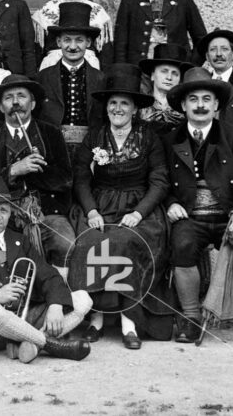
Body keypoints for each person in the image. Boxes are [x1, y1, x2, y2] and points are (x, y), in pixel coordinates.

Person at [164, 67, 233, 348]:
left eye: (206, 99)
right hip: (191, 217)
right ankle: (191, 317)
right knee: (182, 245)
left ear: (216, 105)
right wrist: (171, 203)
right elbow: (158, 180)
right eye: (193, 99)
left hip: (231, 217)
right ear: (183, 105)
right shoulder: (169, 140)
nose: (200, 105)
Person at [69, 67, 173, 348]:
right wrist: (91, 211)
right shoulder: (95, 136)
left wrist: (138, 213)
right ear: (106, 107)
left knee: (125, 242)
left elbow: (160, 181)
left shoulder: (149, 137)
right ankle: (97, 318)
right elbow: (81, 177)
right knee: (90, 242)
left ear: (134, 108)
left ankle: (129, 322)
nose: (118, 108)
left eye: (124, 103)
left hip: (138, 207)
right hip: (100, 204)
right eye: (113, 103)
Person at [0, 181, 92, 363]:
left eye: (4, 211)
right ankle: (47, 344)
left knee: (83, 299)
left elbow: (49, 275)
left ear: (10, 213)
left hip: (22, 317)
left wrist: (56, 305)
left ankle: (28, 344)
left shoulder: (20, 241)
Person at [0, 74, 74, 277]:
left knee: (66, 243)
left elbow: (66, 179)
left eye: (21, 96)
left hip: (47, 214)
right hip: (4, 216)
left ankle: (59, 290)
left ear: (33, 103)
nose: (15, 102)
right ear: (1, 106)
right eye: (8, 97)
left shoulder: (51, 133)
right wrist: (14, 170)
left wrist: (36, 170)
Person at [35, 2, 106, 159]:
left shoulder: (101, 79)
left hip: (89, 150)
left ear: (88, 43)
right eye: (67, 40)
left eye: (79, 40)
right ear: (58, 42)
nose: (73, 47)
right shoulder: (43, 77)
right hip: (53, 150)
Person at [31, 0, 113, 70]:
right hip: (52, 66)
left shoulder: (97, 11)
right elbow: (37, 51)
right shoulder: (46, 10)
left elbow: (105, 54)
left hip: (88, 66)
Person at [138, 43, 192, 136]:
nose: (169, 77)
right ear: (152, 75)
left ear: (180, 79)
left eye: (175, 73)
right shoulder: (141, 104)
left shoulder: (185, 107)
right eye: (164, 71)